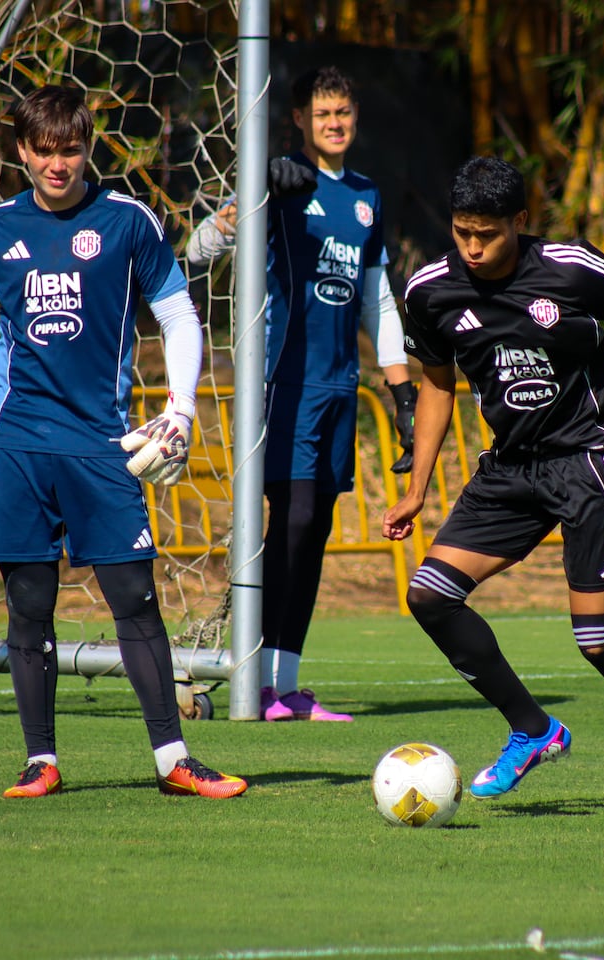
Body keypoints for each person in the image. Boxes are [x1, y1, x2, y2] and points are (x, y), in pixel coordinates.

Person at [0, 84, 247, 800]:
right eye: (44, 151)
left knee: (135, 597)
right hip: (17, 445)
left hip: (101, 444)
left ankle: (174, 761)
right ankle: (41, 762)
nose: (57, 164)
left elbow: (178, 317)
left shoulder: (127, 221)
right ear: (21, 151)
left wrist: (181, 411)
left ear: (87, 149)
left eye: (71, 150)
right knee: (29, 605)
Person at [382, 156, 604, 823]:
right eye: (462, 231)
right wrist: (417, 488)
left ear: (520, 222)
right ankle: (532, 729)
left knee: (597, 639)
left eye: (488, 234)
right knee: (430, 595)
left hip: (588, 461)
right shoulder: (430, 290)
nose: (473, 247)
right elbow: (439, 385)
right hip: (510, 467)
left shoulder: (570, 269)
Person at [187, 65, 415, 722]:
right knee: (289, 521)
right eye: (322, 114)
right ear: (299, 120)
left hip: (340, 385)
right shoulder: (280, 183)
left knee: (314, 528)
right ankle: (253, 680)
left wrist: (401, 390)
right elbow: (200, 248)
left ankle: (285, 687)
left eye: (343, 112)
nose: (334, 124)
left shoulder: (367, 195)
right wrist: (253, 195)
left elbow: (376, 299)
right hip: (283, 382)